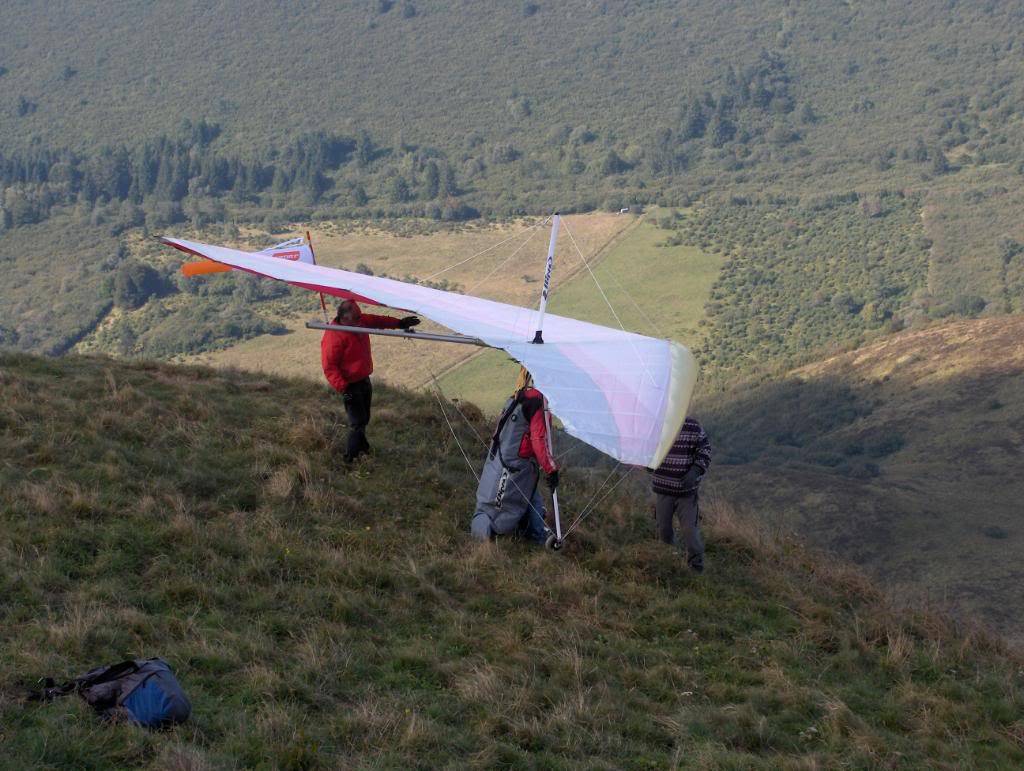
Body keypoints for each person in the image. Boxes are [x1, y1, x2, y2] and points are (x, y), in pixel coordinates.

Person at [320, 299, 419, 462]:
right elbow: (329, 367)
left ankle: (363, 448)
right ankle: (350, 459)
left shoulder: (359, 322)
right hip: (349, 385)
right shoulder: (334, 336)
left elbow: (377, 320)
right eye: (357, 317)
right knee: (357, 422)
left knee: (364, 418)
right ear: (345, 318)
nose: (361, 320)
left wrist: (400, 323)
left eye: (360, 317)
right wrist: (344, 389)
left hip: (363, 379)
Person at [471, 370, 559, 544]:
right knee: (504, 500)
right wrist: (551, 469)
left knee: (530, 490)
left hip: (512, 461)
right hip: (514, 465)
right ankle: (491, 534)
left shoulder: (519, 396)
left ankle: (539, 532)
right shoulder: (535, 401)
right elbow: (538, 440)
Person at [651, 416, 712, 572]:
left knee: (690, 530)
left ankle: (696, 567)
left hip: (686, 493)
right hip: (663, 489)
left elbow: (705, 451)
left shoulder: (692, 426)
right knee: (663, 529)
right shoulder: (657, 425)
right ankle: (669, 559)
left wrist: (695, 471)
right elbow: (647, 451)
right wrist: (647, 465)